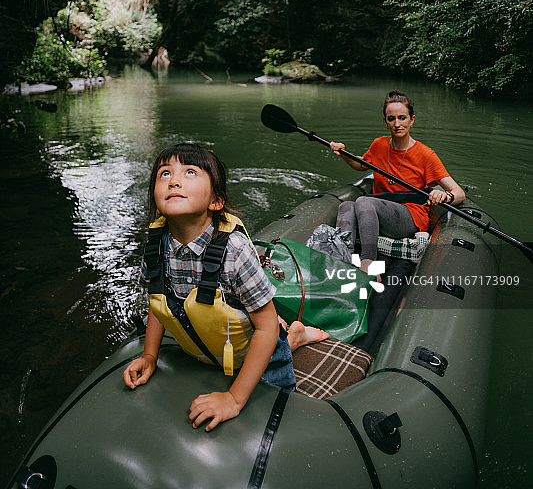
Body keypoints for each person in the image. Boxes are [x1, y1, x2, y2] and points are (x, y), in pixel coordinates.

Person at [122, 143, 328, 431]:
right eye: (164, 174)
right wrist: (149, 355)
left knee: (277, 411)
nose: (174, 180)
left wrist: (234, 398)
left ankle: (293, 335)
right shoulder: (156, 246)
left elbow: (265, 330)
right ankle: (294, 333)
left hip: (258, 347)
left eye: (190, 172)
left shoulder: (234, 251)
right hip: (211, 348)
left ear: (216, 202)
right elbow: (159, 302)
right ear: (157, 201)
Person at [330, 90, 465, 274]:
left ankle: (368, 266)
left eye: (402, 118)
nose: (397, 124)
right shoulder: (379, 145)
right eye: (391, 118)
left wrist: (445, 195)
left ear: (412, 119)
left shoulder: (426, 155)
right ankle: (340, 261)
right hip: (377, 210)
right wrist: (343, 153)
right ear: (385, 121)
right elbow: (362, 166)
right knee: (346, 206)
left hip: (409, 216)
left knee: (363, 201)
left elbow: (459, 193)